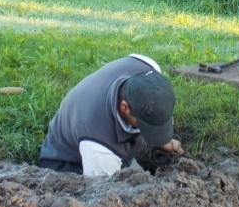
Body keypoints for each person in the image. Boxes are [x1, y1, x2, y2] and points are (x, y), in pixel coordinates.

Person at [38, 54, 184, 177]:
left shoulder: (146, 68)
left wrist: (163, 140)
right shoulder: (98, 145)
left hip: (103, 142)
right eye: (144, 124)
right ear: (125, 107)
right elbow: (107, 196)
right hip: (68, 165)